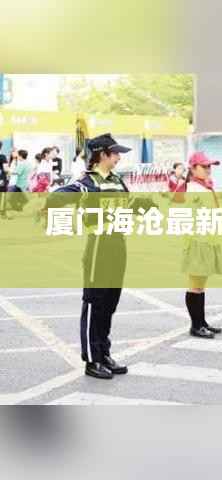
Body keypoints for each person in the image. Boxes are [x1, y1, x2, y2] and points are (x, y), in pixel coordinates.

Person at [46, 133, 136, 379]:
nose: (118, 157)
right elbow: (57, 197)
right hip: (98, 245)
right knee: (95, 301)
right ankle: (92, 359)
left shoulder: (117, 180)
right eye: (115, 153)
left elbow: (128, 205)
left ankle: (104, 353)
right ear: (102, 155)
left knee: (110, 302)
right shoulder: (88, 183)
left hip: (118, 243)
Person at [183, 152, 222, 339]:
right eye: (204, 166)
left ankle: (202, 322)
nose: (208, 169)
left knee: (201, 284)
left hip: (207, 239)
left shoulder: (204, 187)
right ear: (193, 169)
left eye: (209, 166)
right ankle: (196, 325)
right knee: (195, 285)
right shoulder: (193, 189)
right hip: (197, 241)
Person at [0, 141, 8, 219]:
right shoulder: (2, 157)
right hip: (1, 179)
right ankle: (3, 213)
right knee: (3, 195)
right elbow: (6, 169)